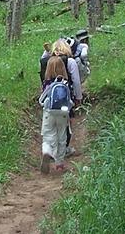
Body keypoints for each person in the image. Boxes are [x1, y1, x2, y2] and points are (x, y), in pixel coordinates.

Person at [38, 45, 73, 174]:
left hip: (49, 112)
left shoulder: (47, 83)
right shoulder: (65, 83)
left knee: (48, 136)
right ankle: (59, 163)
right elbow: (70, 99)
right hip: (63, 113)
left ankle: (47, 151)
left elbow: (42, 99)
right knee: (61, 137)